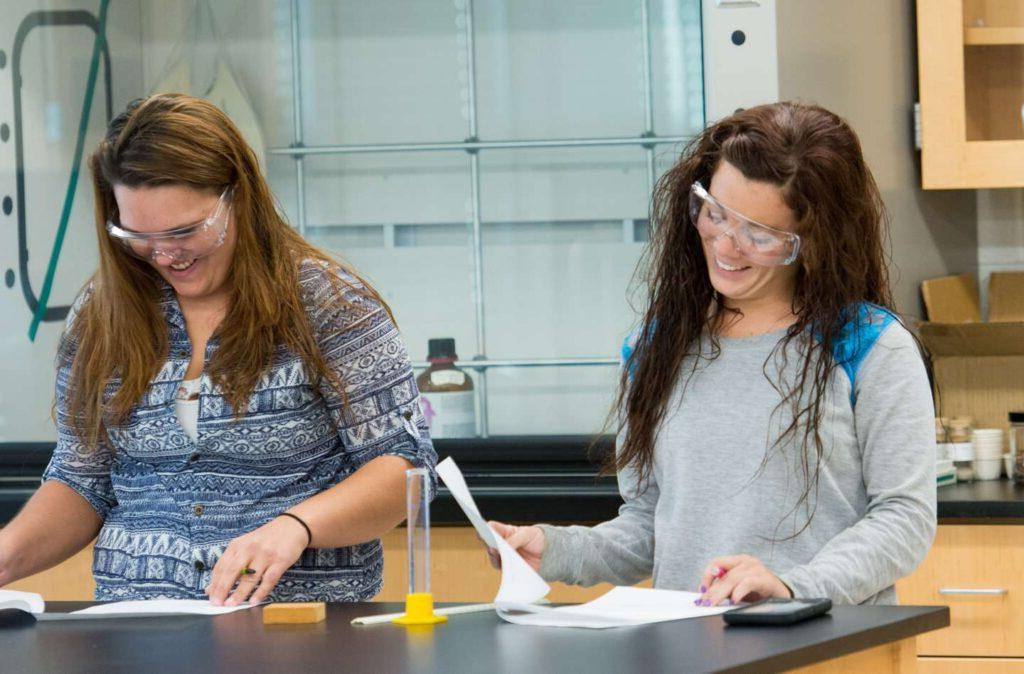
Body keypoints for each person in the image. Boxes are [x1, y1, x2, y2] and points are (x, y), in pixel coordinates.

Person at [489, 101, 936, 606]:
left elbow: (904, 518)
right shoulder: (655, 346)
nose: (726, 246)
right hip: (690, 647)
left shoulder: (871, 347)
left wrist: (793, 588)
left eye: (760, 234)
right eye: (716, 213)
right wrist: (556, 549)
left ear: (814, 243)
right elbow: (650, 523)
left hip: (826, 647)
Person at [0, 94, 436, 605]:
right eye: (138, 235)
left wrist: (297, 526)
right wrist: (6, 554)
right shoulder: (100, 316)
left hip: (295, 635)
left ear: (239, 196)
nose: (164, 254)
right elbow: (82, 479)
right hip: (135, 636)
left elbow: (405, 468)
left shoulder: (329, 305)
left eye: (185, 230)